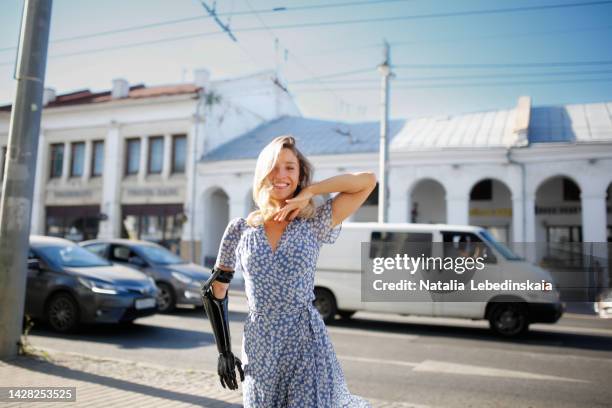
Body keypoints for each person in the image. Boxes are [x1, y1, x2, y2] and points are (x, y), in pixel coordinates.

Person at [201, 135, 376, 407]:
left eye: (290, 167)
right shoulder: (240, 229)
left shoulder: (315, 222)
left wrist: (310, 191)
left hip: (305, 342)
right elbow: (215, 291)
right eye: (273, 166)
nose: (281, 174)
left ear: (300, 173)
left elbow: (367, 181)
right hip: (260, 346)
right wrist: (223, 351)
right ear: (262, 173)